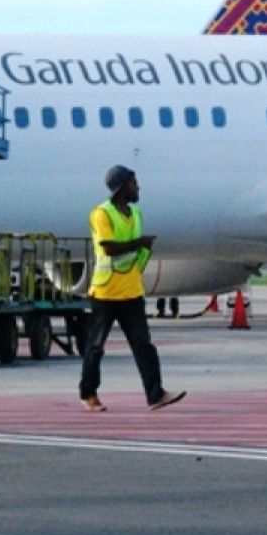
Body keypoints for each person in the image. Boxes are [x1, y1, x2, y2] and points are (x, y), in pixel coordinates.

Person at [79, 165, 185, 412]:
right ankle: (88, 393)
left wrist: (143, 248)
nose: (138, 188)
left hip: (132, 291)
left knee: (143, 345)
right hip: (106, 292)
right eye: (134, 184)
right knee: (95, 346)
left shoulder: (136, 213)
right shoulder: (101, 214)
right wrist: (140, 242)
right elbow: (108, 248)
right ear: (121, 187)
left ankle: (156, 394)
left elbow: (135, 252)